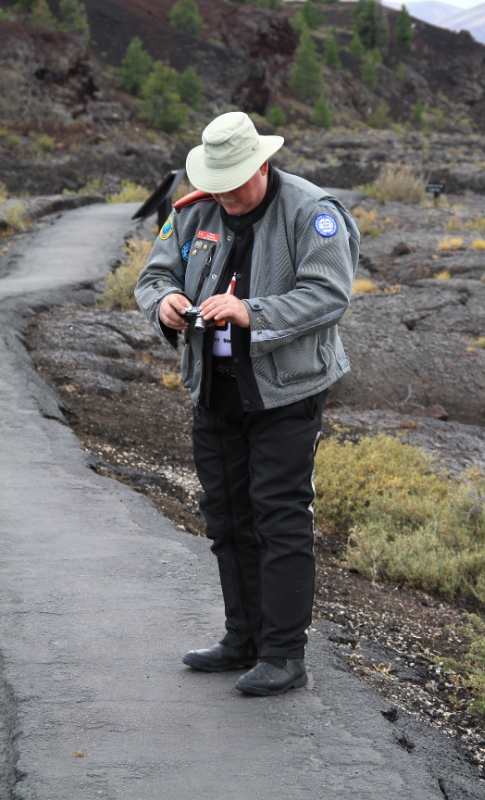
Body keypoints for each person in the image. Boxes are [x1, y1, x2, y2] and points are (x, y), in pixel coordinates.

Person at [135, 111, 359, 696]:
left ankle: (285, 655)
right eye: (219, 182)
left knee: (280, 517)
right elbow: (152, 275)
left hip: (286, 392)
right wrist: (164, 301)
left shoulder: (313, 213)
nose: (228, 194)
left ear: (262, 163)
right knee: (226, 516)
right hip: (215, 389)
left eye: (237, 182)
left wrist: (250, 312)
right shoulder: (194, 210)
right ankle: (243, 639)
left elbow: (328, 295)